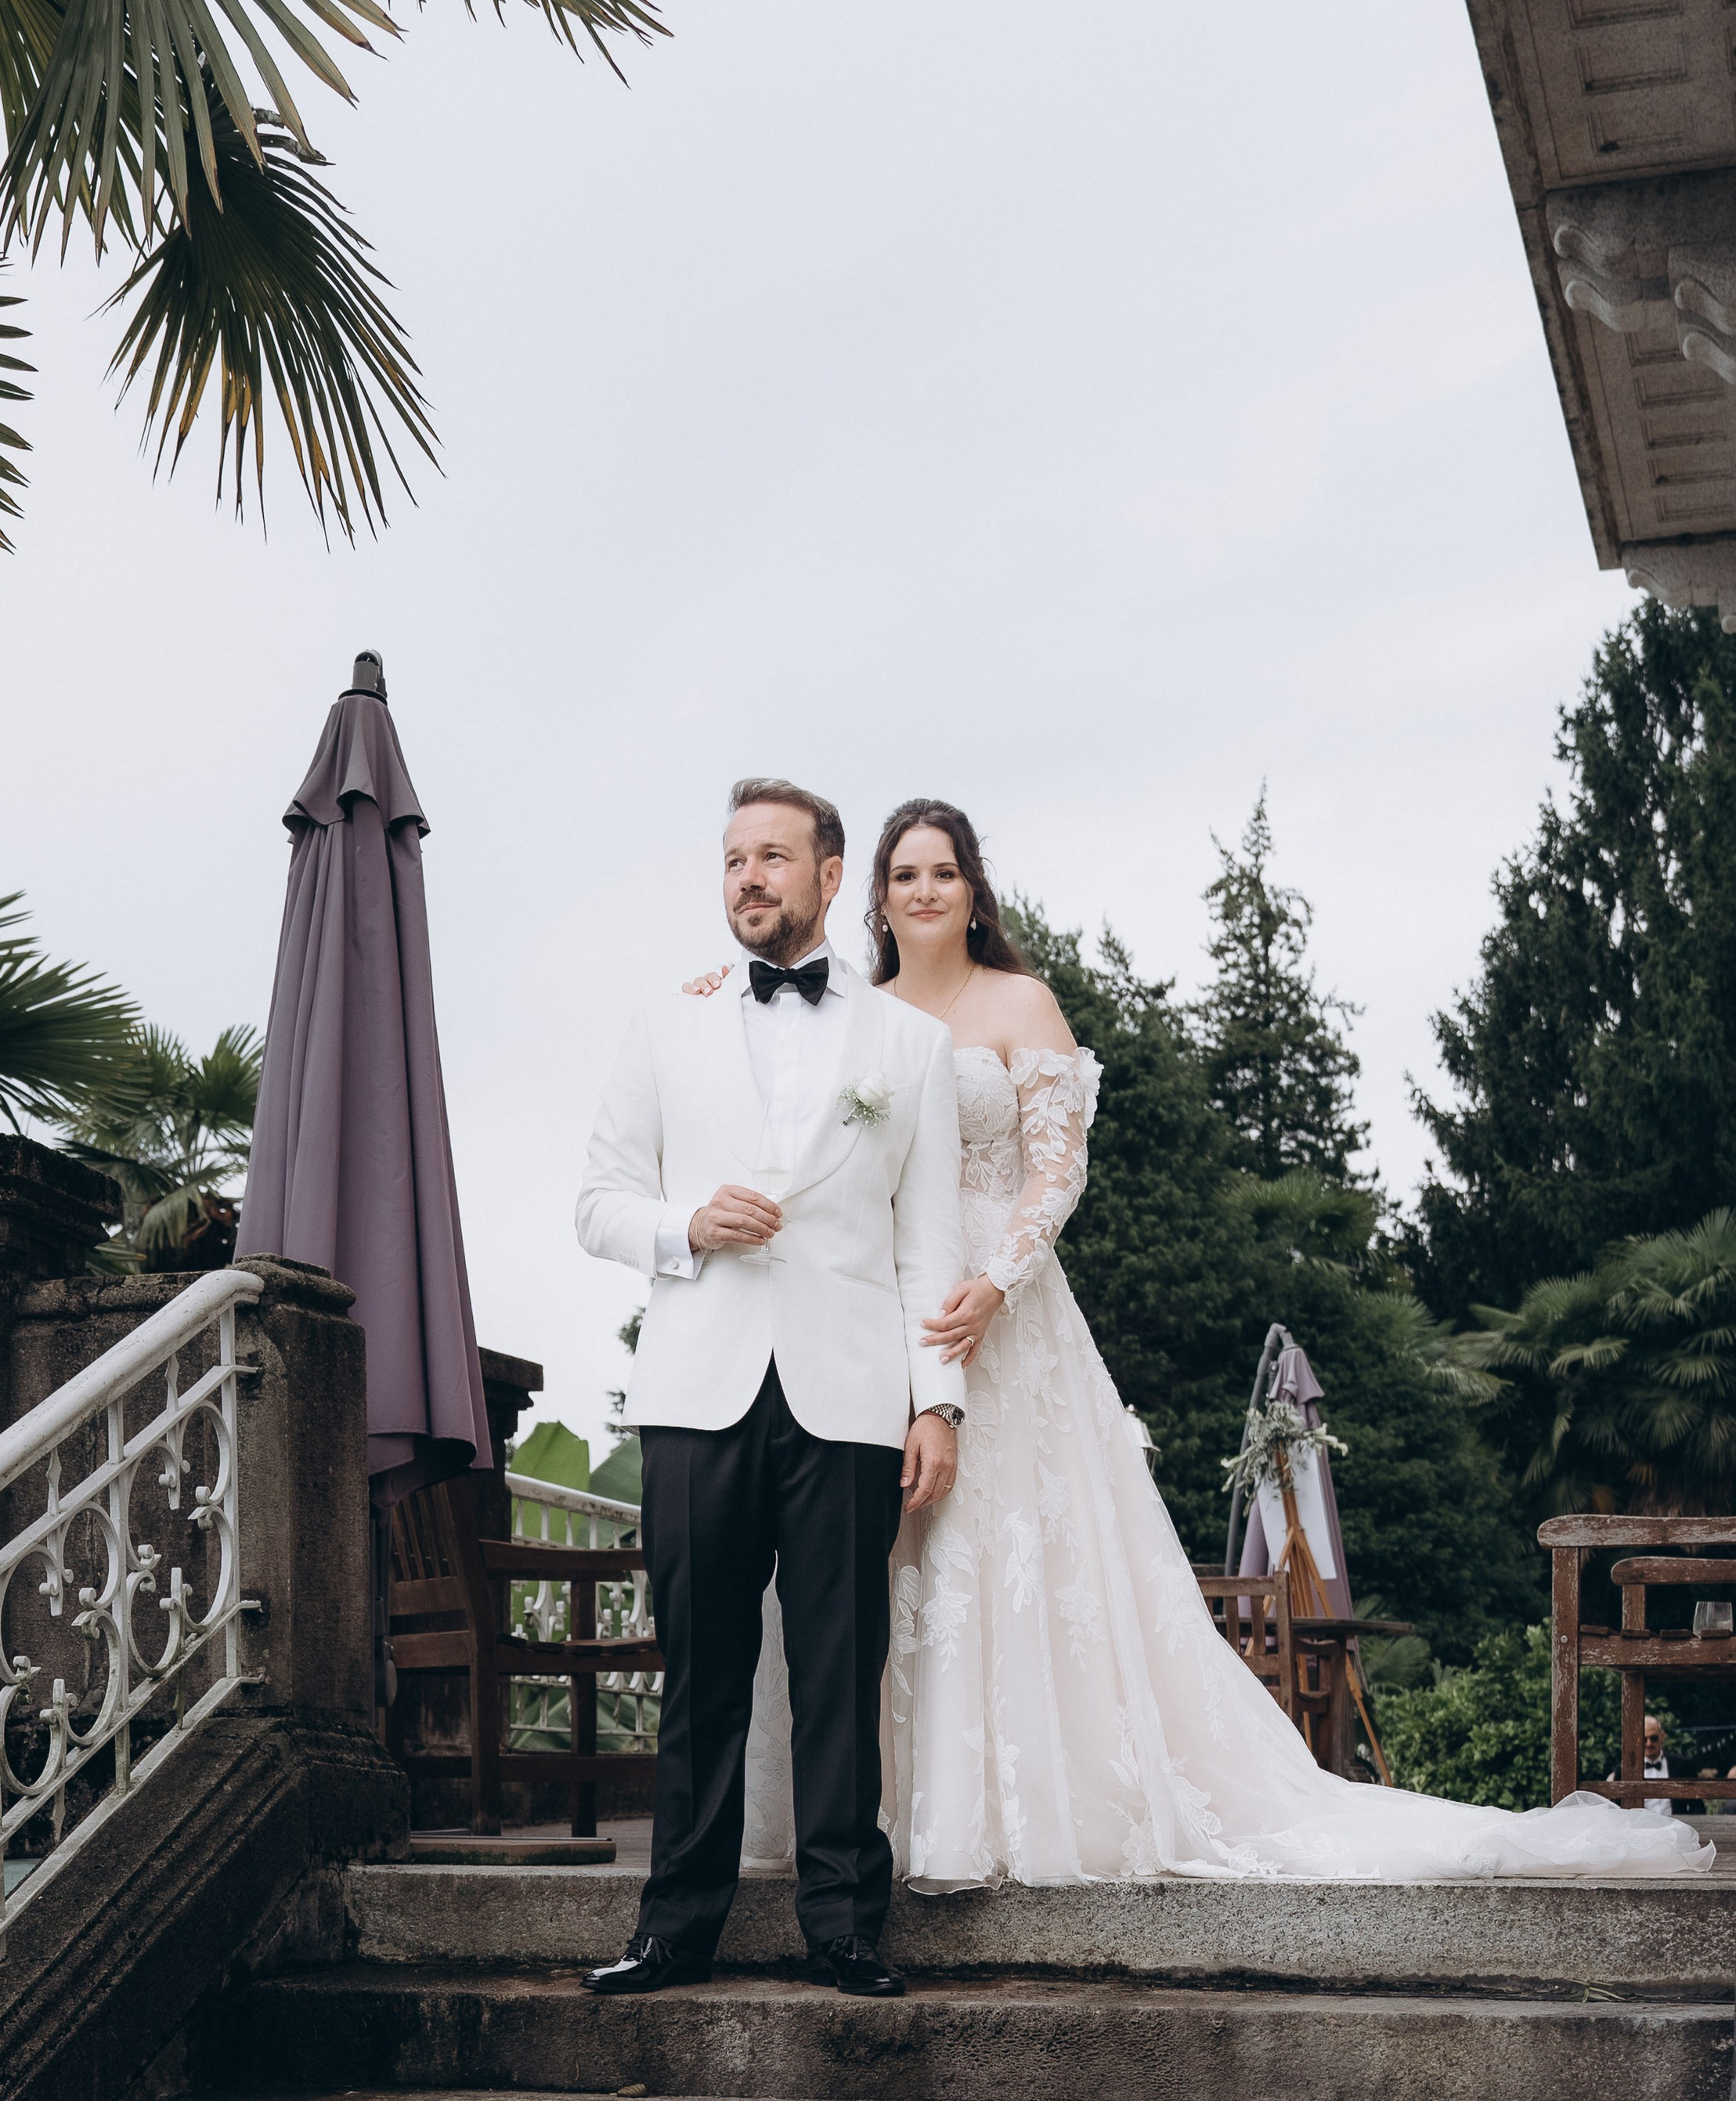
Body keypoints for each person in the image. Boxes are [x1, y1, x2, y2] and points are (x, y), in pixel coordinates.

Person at [695, 800, 1713, 1885]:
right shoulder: (863, 1010)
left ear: (974, 890)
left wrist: (993, 1284)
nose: (925, 891)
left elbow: (1060, 1169)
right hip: (887, 1308)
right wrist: (711, 997)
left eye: (944, 872)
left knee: (1008, 1544)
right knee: (891, 1554)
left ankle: (1017, 1808)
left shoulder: (1019, 1000)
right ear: (875, 894)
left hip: (1006, 1302)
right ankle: (889, 1806)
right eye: (905, 875)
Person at [572, 782, 969, 1995]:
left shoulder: (912, 1046)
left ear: (830, 873)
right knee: (698, 1666)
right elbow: (595, 1204)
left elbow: (931, 1244)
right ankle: (672, 1925)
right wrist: (686, 1224)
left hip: (850, 1396)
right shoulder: (664, 1022)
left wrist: (937, 1401)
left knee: (842, 1668)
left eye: (773, 858)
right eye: (735, 859)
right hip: (697, 1394)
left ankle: (846, 1924)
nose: (749, 878)